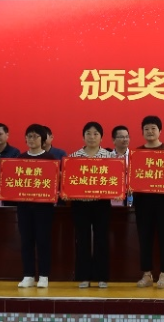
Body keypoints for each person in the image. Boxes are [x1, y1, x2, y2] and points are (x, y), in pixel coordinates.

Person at [134, 116, 164, 289]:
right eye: (146, 129)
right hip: (143, 201)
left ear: (160, 131)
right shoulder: (137, 152)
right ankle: (147, 274)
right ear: (142, 132)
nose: (150, 132)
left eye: (153, 128)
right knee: (144, 237)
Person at [69, 121, 113, 289]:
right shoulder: (74, 157)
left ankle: (102, 276)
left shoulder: (109, 157)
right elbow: (69, 181)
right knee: (82, 239)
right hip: (81, 204)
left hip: (102, 204)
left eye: (96, 134)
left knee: (102, 239)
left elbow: (115, 180)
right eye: (88, 133)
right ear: (83, 136)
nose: (92, 137)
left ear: (101, 137)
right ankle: (83, 276)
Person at [14, 124, 58, 289]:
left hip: (44, 207)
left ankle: (44, 275)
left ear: (43, 139)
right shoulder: (20, 158)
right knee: (26, 241)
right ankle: (28, 275)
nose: (32, 139)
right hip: (24, 207)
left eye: (36, 136)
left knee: (43, 241)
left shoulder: (50, 158)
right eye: (29, 136)